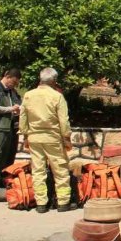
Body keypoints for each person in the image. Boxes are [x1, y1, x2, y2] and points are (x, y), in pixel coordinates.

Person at [19, 67, 75, 213]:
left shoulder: (28, 95)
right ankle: (63, 202)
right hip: (52, 138)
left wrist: (25, 135)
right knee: (60, 170)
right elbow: (64, 120)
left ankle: (41, 204)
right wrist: (67, 137)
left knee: (38, 171)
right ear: (54, 81)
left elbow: (23, 117)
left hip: (34, 138)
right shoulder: (57, 96)